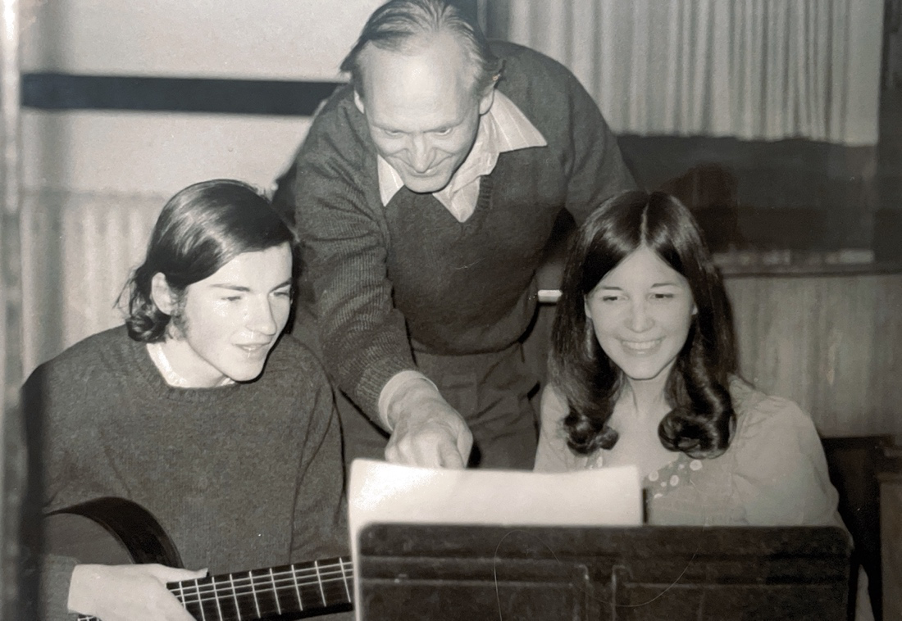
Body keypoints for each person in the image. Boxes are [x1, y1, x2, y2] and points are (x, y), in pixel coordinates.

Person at [272, 0, 636, 471]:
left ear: (485, 94)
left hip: (491, 369)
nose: (420, 157)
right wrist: (413, 406)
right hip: (358, 381)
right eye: (393, 132)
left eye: (442, 128)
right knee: (371, 540)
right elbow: (355, 313)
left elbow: (627, 242)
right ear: (361, 103)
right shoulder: (334, 151)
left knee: (506, 537)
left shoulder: (549, 99)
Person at [21, 180, 348, 620]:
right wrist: (84, 588)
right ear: (166, 295)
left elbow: (319, 559)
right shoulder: (71, 391)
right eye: (234, 297)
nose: (266, 324)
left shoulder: (298, 383)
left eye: (280, 293)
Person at [534, 189, 842, 525]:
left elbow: (828, 575)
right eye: (613, 298)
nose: (638, 323)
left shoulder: (766, 430)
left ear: (696, 300)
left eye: (661, 295)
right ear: (586, 306)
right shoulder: (566, 408)